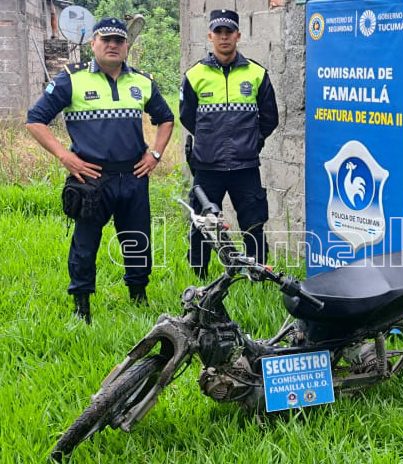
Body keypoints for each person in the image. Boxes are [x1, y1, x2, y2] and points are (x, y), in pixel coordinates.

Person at [26, 18, 175, 323]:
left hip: (133, 175)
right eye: (106, 39)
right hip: (91, 178)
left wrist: (155, 154)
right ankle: (81, 306)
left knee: (137, 239)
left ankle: (138, 296)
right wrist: (65, 157)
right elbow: (35, 120)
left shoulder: (142, 82)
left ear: (126, 45)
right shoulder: (72, 79)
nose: (112, 45)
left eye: (118, 40)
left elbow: (166, 118)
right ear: (93, 43)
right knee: (85, 244)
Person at [180, 9, 279, 278]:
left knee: (253, 224)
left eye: (229, 32)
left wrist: (252, 143)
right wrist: (209, 141)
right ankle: (199, 278)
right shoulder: (195, 75)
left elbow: (270, 118)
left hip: (245, 167)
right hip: (207, 166)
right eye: (218, 32)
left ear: (238, 35)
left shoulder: (257, 73)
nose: (224, 37)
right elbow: (187, 117)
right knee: (203, 225)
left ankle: (257, 277)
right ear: (210, 36)